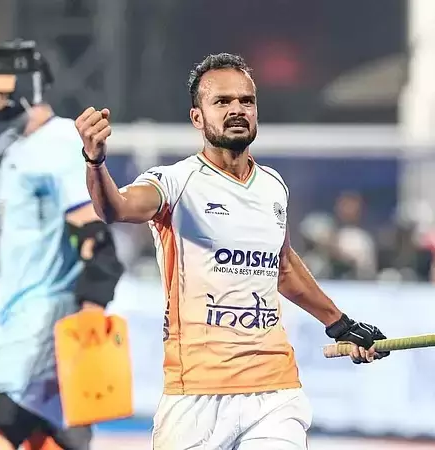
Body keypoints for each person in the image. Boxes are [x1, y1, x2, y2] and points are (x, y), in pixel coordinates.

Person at [75, 52, 390, 449]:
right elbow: (115, 208)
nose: (237, 109)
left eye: (246, 100)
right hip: (196, 398)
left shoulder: (273, 186)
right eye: (222, 101)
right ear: (197, 117)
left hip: (275, 392)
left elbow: (283, 267)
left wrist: (340, 324)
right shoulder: (175, 181)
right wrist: (95, 161)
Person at [0, 39, 124, 450]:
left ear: (21, 90)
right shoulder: (21, 148)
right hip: (24, 322)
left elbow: (95, 237)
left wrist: (90, 313)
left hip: (46, 325)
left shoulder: (58, 141)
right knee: (49, 434)